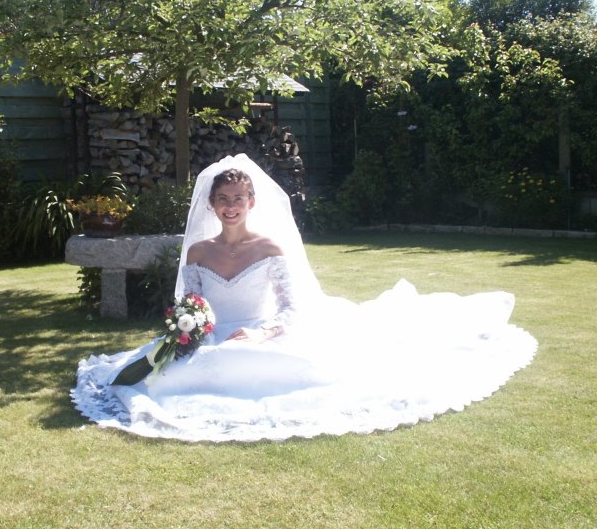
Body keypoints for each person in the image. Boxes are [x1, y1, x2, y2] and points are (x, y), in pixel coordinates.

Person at [71, 154, 538, 442]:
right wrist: (188, 330)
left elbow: (292, 308)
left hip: (261, 332)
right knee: (160, 378)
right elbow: (189, 303)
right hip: (207, 336)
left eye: (238, 198)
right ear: (211, 204)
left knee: (266, 366)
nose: (230, 206)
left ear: (251, 202)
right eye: (223, 199)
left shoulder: (269, 248)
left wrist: (261, 333)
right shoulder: (198, 251)